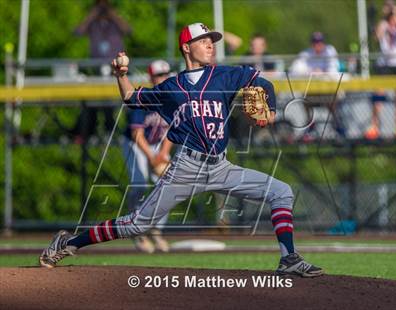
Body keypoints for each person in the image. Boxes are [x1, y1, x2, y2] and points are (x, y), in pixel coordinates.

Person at [39, 22, 323, 277]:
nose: (210, 44)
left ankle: (288, 258)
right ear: (187, 48)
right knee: (136, 224)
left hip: (221, 167)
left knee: (281, 191)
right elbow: (129, 97)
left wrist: (270, 111)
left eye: (212, 40)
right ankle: (68, 243)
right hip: (186, 168)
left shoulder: (225, 76)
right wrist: (120, 73)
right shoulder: (172, 87)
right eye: (203, 40)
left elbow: (262, 82)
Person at [122, 60, 173, 253]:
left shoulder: (172, 98)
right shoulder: (144, 98)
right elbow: (137, 134)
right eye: (159, 75)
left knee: (169, 184)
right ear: (151, 77)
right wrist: (152, 158)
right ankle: (137, 231)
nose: (162, 78)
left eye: (165, 74)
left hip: (159, 145)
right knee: (139, 183)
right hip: (135, 144)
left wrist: (163, 153)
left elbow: (173, 130)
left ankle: (157, 231)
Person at [72, 0, 132, 141]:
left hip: (116, 70)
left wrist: (112, 13)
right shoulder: (93, 24)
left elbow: (128, 30)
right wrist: (93, 14)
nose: (102, 9)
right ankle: (96, 131)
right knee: (95, 101)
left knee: (116, 100)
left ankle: (113, 129)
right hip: (97, 71)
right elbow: (78, 31)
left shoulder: (115, 23)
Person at [365, 2, 396, 140]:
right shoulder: (383, 23)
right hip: (384, 64)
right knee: (378, 95)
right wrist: (385, 19)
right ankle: (374, 126)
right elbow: (377, 37)